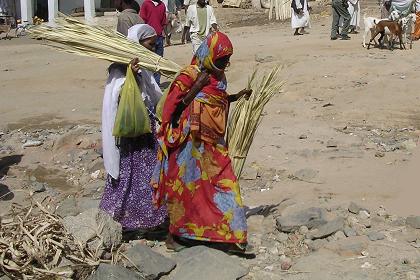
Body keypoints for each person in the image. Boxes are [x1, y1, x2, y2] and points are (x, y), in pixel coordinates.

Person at [151, 32, 253, 254]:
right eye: (221, 60)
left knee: (225, 184)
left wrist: (236, 96)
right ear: (209, 56)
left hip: (213, 145)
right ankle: (177, 236)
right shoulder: (189, 76)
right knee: (189, 192)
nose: (225, 64)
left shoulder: (218, 79)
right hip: (188, 147)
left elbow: (217, 100)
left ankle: (231, 235)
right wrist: (197, 86)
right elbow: (172, 111)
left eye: (227, 60)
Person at [100, 24, 167, 236]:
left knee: (149, 173)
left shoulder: (143, 68)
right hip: (131, 132)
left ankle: (149, 217)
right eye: (150, 44)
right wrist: (130, 74)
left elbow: (154, 94)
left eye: (155, 45)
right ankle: (126, 216)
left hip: (146, 129)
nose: (153, 49)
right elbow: (116, 97)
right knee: (129, 172)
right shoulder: (118, 69)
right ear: (137, 43)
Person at [140, 0, 167, 85]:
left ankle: (156, 85)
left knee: (158, 62)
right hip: (148, 39)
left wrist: (165, 36)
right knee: (148, 62)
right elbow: (142, 21)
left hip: (159, 37)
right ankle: (149, 84)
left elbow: (163, 22)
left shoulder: (162, 5)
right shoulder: (146, 4)